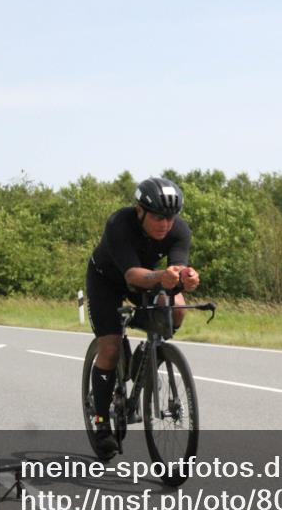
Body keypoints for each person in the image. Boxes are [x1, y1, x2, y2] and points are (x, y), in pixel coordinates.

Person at [85, 177, 201, 458]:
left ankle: (148, 355)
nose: (165, 224)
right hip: (108, 280)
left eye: (170, 217)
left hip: (145, 280)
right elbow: (131, 275)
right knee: (110, 349)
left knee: (178, 308)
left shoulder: (179, 230)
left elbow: (176, 270)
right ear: (140, 211)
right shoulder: (120, 224)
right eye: (159, 217)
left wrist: (186, 277)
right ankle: (101, 422)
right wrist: (162, 276)